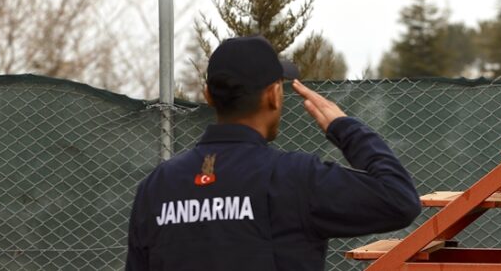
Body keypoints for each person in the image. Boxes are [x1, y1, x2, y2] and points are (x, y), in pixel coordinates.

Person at [126, 35, 421, 270]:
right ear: (273, 95)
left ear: (208, 96)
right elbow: (399, 198)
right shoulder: (294, 178)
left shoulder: (156, 188)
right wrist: (346, 128)